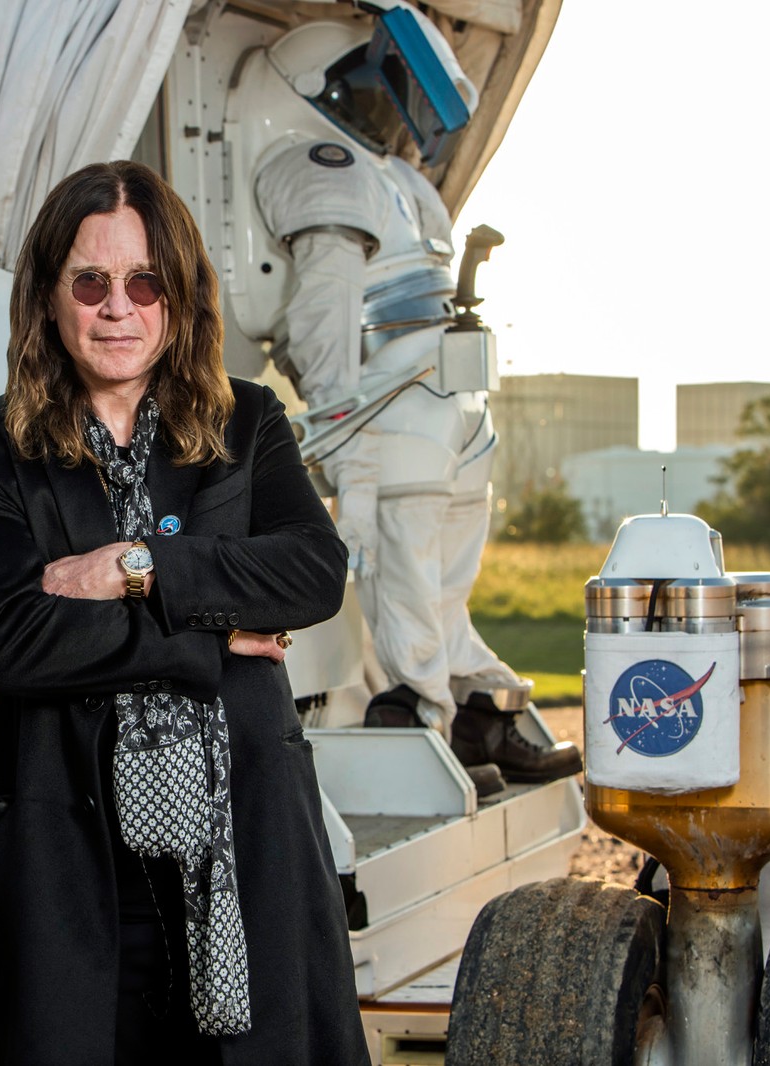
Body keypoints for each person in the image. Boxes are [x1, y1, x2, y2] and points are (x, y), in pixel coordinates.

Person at [0, 160, 369, 1065]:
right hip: (69, 869)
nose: (118, 307)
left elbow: (313, 573)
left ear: (180, 296)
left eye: (145, 282)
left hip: (244, 850)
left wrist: (139, 565)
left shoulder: (247, 423)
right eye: (90, 282)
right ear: (50, 297)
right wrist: (211, 633)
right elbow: (14, 643)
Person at [246, 11, 580, 787]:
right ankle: (462, 716)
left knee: (418, 594)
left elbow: (327, 304)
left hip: (418, 405)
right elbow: (329, 303)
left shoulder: (360, 174)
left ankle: (451, 716)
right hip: (432, 407)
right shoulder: (368, 176)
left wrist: (332, 414)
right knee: (424, 593)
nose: (389, 108)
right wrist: (337, 418)